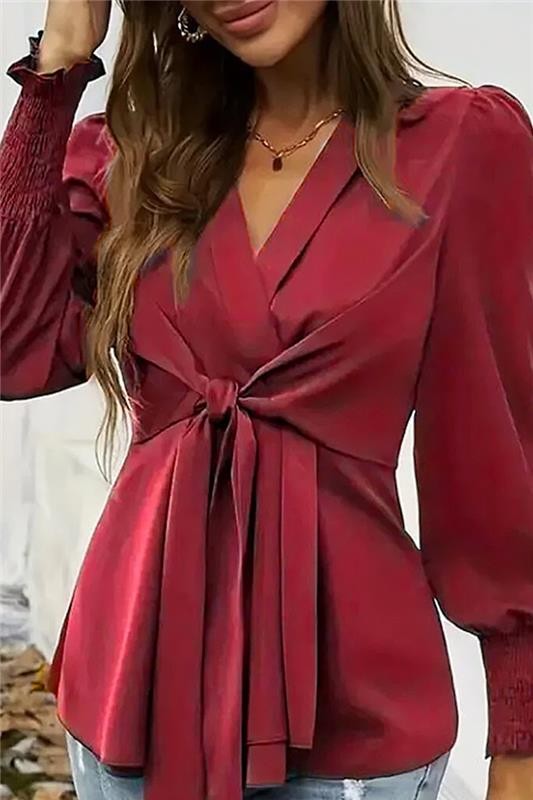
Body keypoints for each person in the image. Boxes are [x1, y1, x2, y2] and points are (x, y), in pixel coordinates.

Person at [1, 1, 532, 799]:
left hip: (353, 714)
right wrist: (59, 62)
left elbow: (493, 457)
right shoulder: (129, 154)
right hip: (129, 695)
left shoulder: (459, 147)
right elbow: (12, 343)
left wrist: (518, 740)